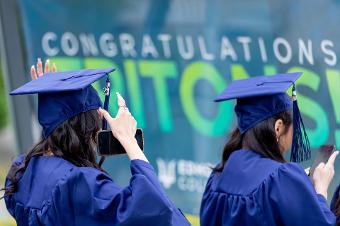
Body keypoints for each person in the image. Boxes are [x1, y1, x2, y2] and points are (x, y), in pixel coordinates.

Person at [2, 59, 190, 226]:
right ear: (86, 129)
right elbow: (155, 208)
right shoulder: (79, 183)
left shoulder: (21, 171)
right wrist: (128, 141)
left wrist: (52, 99)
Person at [200, 72, 338, 226]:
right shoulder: (282, 178)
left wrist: (299, 188)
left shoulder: (218, 175)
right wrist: (320, 191)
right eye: (292, 128)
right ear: (278, 127)